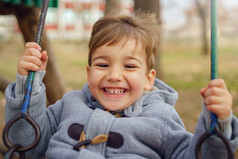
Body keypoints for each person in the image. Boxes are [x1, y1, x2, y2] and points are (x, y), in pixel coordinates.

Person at [4, 12, 238, 159]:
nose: (114, 75)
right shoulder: (69, 104)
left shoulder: (161, 118)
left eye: (129, 67)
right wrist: (28, 87)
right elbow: (26, 145)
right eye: (103, 64)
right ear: (89, 73)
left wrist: (217, 122)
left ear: (149, 79)